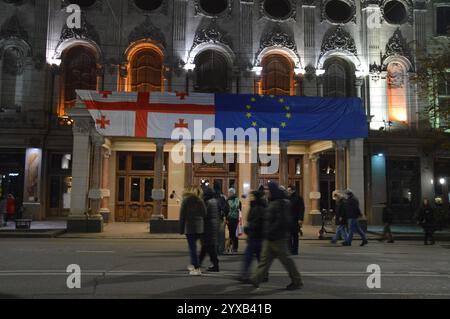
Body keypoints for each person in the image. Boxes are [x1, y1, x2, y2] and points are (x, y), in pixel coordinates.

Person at [249, 182, 303, 290]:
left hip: (278, 238)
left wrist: (270, 231)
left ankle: (297, 281)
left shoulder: (280, 203)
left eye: (268, 190)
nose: (266, 192)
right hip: (269, 237)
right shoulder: (274, 202)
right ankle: (256, 279)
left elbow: (280, 221)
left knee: (286, 261)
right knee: (265, 260)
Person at [239, 188, 267, 281]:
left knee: (249, 256)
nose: (250, 198)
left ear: (255, 197)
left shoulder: (259, 208)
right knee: (258, 257)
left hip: (256, 235)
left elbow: (257, 222)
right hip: (255, 235)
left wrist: (248, 228)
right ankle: (263, 275)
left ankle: (246, 275)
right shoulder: (255, 206)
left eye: (251, 196)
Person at [179, 186, 207, 276]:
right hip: (199, 228)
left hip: (190, 227)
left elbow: (182, 216)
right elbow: (204, 213)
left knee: (192, 248)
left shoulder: (186, 201)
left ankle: (196, 268)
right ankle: (193, 264)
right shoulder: (200, 200)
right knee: (194, 248)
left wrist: (181, 229)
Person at [199, 186, 220, 272]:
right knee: (206, 246)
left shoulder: (207, 202)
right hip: (213, 225)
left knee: (209, 247)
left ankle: (215, 265)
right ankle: (198, 263)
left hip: (208, 226)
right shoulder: (215, 201)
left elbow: (204, 213)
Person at [287, 186, 305, 255]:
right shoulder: (287, 198)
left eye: (289, 190)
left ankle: (294, 250)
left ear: (293, 190)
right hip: (288, 219)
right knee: (288, 235)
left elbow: (301, 209)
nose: (288, 191)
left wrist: (300, 219)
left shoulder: (299, 198)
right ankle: (290, 249)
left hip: (295, 219)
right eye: (287, 190)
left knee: (295, 235)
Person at [214, 181, 229, 255]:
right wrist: (226, 215)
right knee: (221, 234)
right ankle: (221, 249)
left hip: (213, 218)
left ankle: (215, 249)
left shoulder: (212, 195)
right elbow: (227, 207)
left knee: (215, 234)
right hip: (221, 218)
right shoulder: (223, 196)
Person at [227, 188, 242, 253]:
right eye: (229, 192)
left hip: (235, 219)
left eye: (230, 192)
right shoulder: (228, 200)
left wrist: (229, 202)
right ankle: (230, 247)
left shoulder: (236, 200)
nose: (229, 194)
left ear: (233, 193)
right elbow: (226, 209)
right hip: (230, 219)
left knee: (234, 234)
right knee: (231, 233)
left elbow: (235, 206)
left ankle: (235, 247)